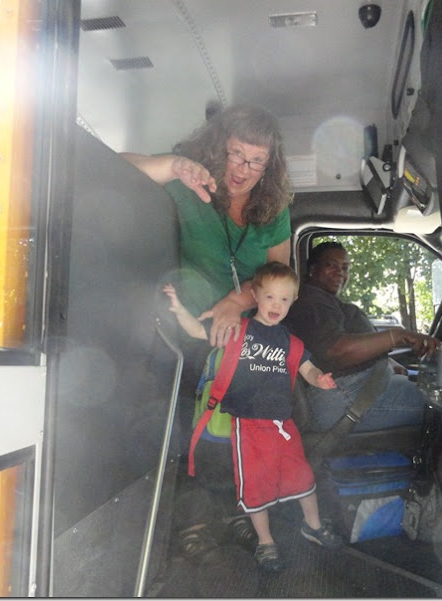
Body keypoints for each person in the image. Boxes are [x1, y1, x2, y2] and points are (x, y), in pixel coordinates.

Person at [121, 104, 294, 557]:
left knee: (241, 433)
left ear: (269, 166)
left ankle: (241, 514)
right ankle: (194, 522)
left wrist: (236, 303)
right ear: (219, 148)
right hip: (190, 332)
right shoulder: (189, 183)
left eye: (257, 161)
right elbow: (117, 165)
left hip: (244, 337)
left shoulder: (274, 208)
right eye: (236, 154)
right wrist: (173, 165)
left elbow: (279, 275)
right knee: (192, 429)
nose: (243, 170)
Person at [163, 261, 343, 571]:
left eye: (284, 299)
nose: (276, 305)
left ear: (294, 300)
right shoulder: (237, 330)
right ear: (255, 295)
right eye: (270, 297)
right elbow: (195, 330)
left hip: (282, 425)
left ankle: (312, 526)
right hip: (246, 426)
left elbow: (308, 369)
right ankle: (265, 542)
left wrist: (320, 379)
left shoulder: (290, 342)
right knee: (255, 488)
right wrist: (178, 309)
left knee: (303, 478)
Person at [283, 241, 440, 433]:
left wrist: (387, 361)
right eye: (331, 265)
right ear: (313, 269)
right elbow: (336, 350)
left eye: (345, 268)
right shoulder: (311, 302)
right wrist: (398, 336)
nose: (340, 272)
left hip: (360, 387)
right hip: (343, 395)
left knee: (436, 394)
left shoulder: (325, 301)